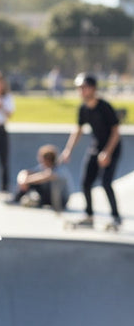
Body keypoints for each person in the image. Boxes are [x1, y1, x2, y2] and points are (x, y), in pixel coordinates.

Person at [60, 73, 122, 228]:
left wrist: (107, 152)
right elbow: (78, 130)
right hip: (96, 147)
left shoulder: (104, 107)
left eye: (83, 88)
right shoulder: (83, 108)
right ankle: (89, 215)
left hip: (112, 148)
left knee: (106, 183)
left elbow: (116, 132)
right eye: (79, 88)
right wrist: (68, 150)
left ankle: (116, 217)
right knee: (86, 182)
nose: (80, 91)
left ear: (92, 89)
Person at [11, 144, 71, 211]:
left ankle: (36, 201)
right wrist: (22, 180)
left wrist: (27, 181)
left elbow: (47, 176)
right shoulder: (43, 167)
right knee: (31, 181)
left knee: (34, 181)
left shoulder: (59, 169)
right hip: (49, 196)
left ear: (47, 159)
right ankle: (16, 199)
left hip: (60, 200)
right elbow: (26, 172)